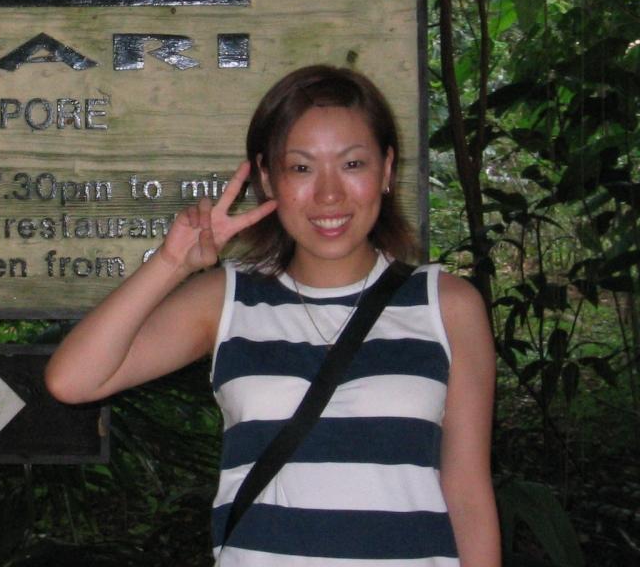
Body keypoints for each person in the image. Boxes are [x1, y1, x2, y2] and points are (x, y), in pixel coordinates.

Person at [45, 65, 499, 566]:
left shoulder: (446, 304)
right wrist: (173, 263)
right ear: (267, 178)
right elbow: (73, 380)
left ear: (387, 169)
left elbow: (468, 494)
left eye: (352, 164)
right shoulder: (229, 298)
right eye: (301, 168)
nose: (329, 194)